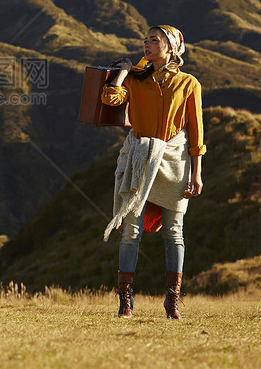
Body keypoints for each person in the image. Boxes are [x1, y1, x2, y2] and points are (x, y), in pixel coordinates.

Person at [100, 24, 206, 320]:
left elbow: (196, 132)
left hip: (174, 162)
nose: (147, 44)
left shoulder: (188, 83)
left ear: (171, 47)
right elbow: (110, 99)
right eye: (145, 40)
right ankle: (125, 302)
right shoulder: (135, 78)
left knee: (174, 233)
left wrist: (196, 173)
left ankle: (172, 301)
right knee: (130, 233)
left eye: (154, 40)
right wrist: (123, 72)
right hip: (139, 160)